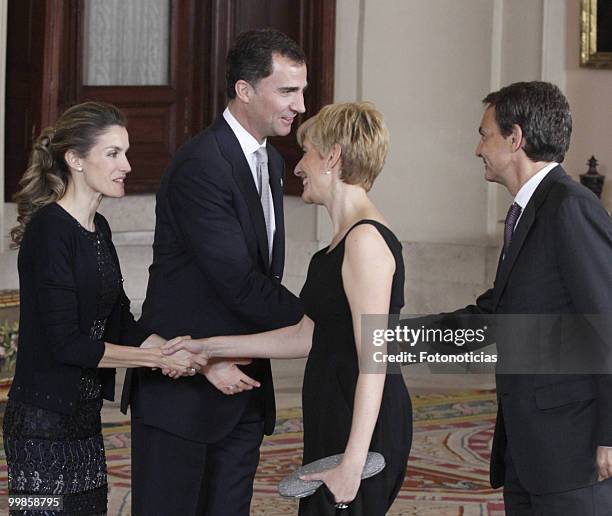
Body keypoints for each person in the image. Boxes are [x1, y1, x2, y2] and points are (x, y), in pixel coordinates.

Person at [163, 101, 412, 515]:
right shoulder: (334, 248)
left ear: (332, 156)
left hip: (362, 428)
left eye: (308, 151)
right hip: (334, 414)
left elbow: (376, 360)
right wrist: (209, 346)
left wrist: (353, 462)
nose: (298, 167)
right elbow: (307, 335)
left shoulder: (366, 242)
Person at [122, 29, 306, 515]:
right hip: (182, 394)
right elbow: (238, 282)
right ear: (245, 90)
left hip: (242, 393)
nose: (300, 105)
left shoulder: (269, 160)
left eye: (301, 91)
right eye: (288, 91)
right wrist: (321, 317)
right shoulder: (201, 164)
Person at [409, 81, 612, 514]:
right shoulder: (530, 212)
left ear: (515, 138)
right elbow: (494, 318)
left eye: (484, 135)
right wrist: (394, 340)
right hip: (530, 453)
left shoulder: (570, 207)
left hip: (574, 457)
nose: (477, 148)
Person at [3, 101, 196, 515]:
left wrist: (174, 349)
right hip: (38, 428)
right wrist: (154, 358)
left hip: (84, 422)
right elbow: (67, 345)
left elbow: (120, 320)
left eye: (125, 152)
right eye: (113, 153)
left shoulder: (98, 228)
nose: (126, 164)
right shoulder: (48, 232)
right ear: (75, 159)